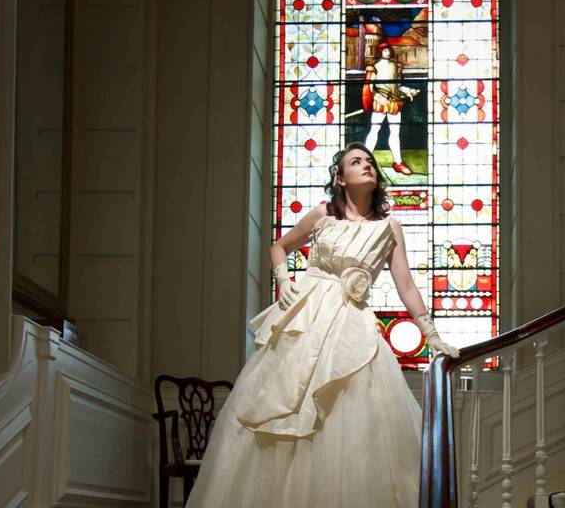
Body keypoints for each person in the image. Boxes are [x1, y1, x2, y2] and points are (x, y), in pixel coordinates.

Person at [184, 142, 459, 508]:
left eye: (370, 162)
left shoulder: (389, 227)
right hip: (306, 318)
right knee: (285, 405)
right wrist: (284, 280)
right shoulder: (322, 215)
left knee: (347, 419)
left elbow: (405, 284)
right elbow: (279, 246)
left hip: (352, 327)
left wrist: (432, 334)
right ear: (340, 178)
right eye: (356, 162)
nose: (367, 166)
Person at [362, 42, 420, 175]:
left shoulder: (396, 66)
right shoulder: (374, 68)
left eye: (389, 50)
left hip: (395, 103)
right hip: (380, 103)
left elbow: (398, 86)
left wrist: (409, 91)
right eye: (384, 50)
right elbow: (369, 88)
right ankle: (364, 161)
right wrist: (378, 97)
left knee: (395, 133)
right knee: (374, 130)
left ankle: (398, 163)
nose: (387, 52)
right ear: (379, 52)